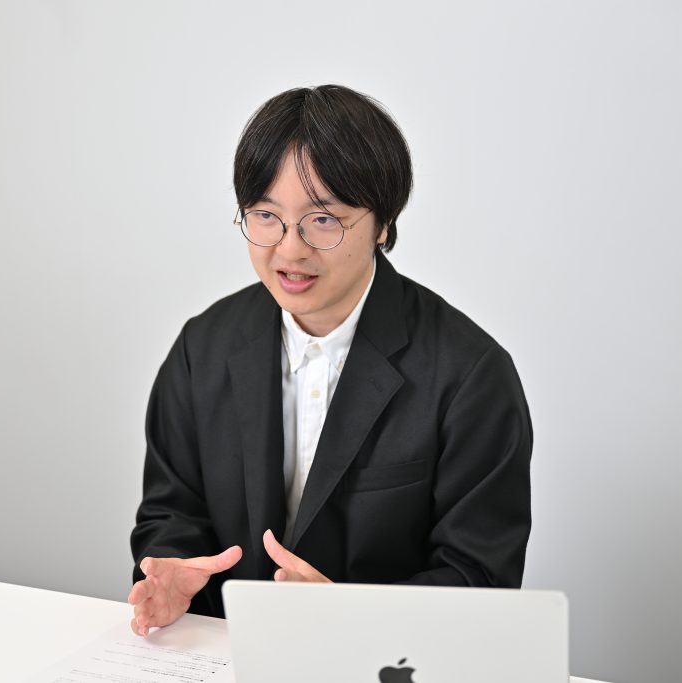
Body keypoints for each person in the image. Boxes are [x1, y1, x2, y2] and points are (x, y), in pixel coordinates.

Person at [128, 84, 532, 636]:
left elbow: (482, 577)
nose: (290, 249)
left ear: (382, 224)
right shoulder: (203, 349)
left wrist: (350, 617)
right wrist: (175, 575)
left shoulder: (471, 376)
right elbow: (171, 513)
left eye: (323, 219)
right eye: (265, 215)